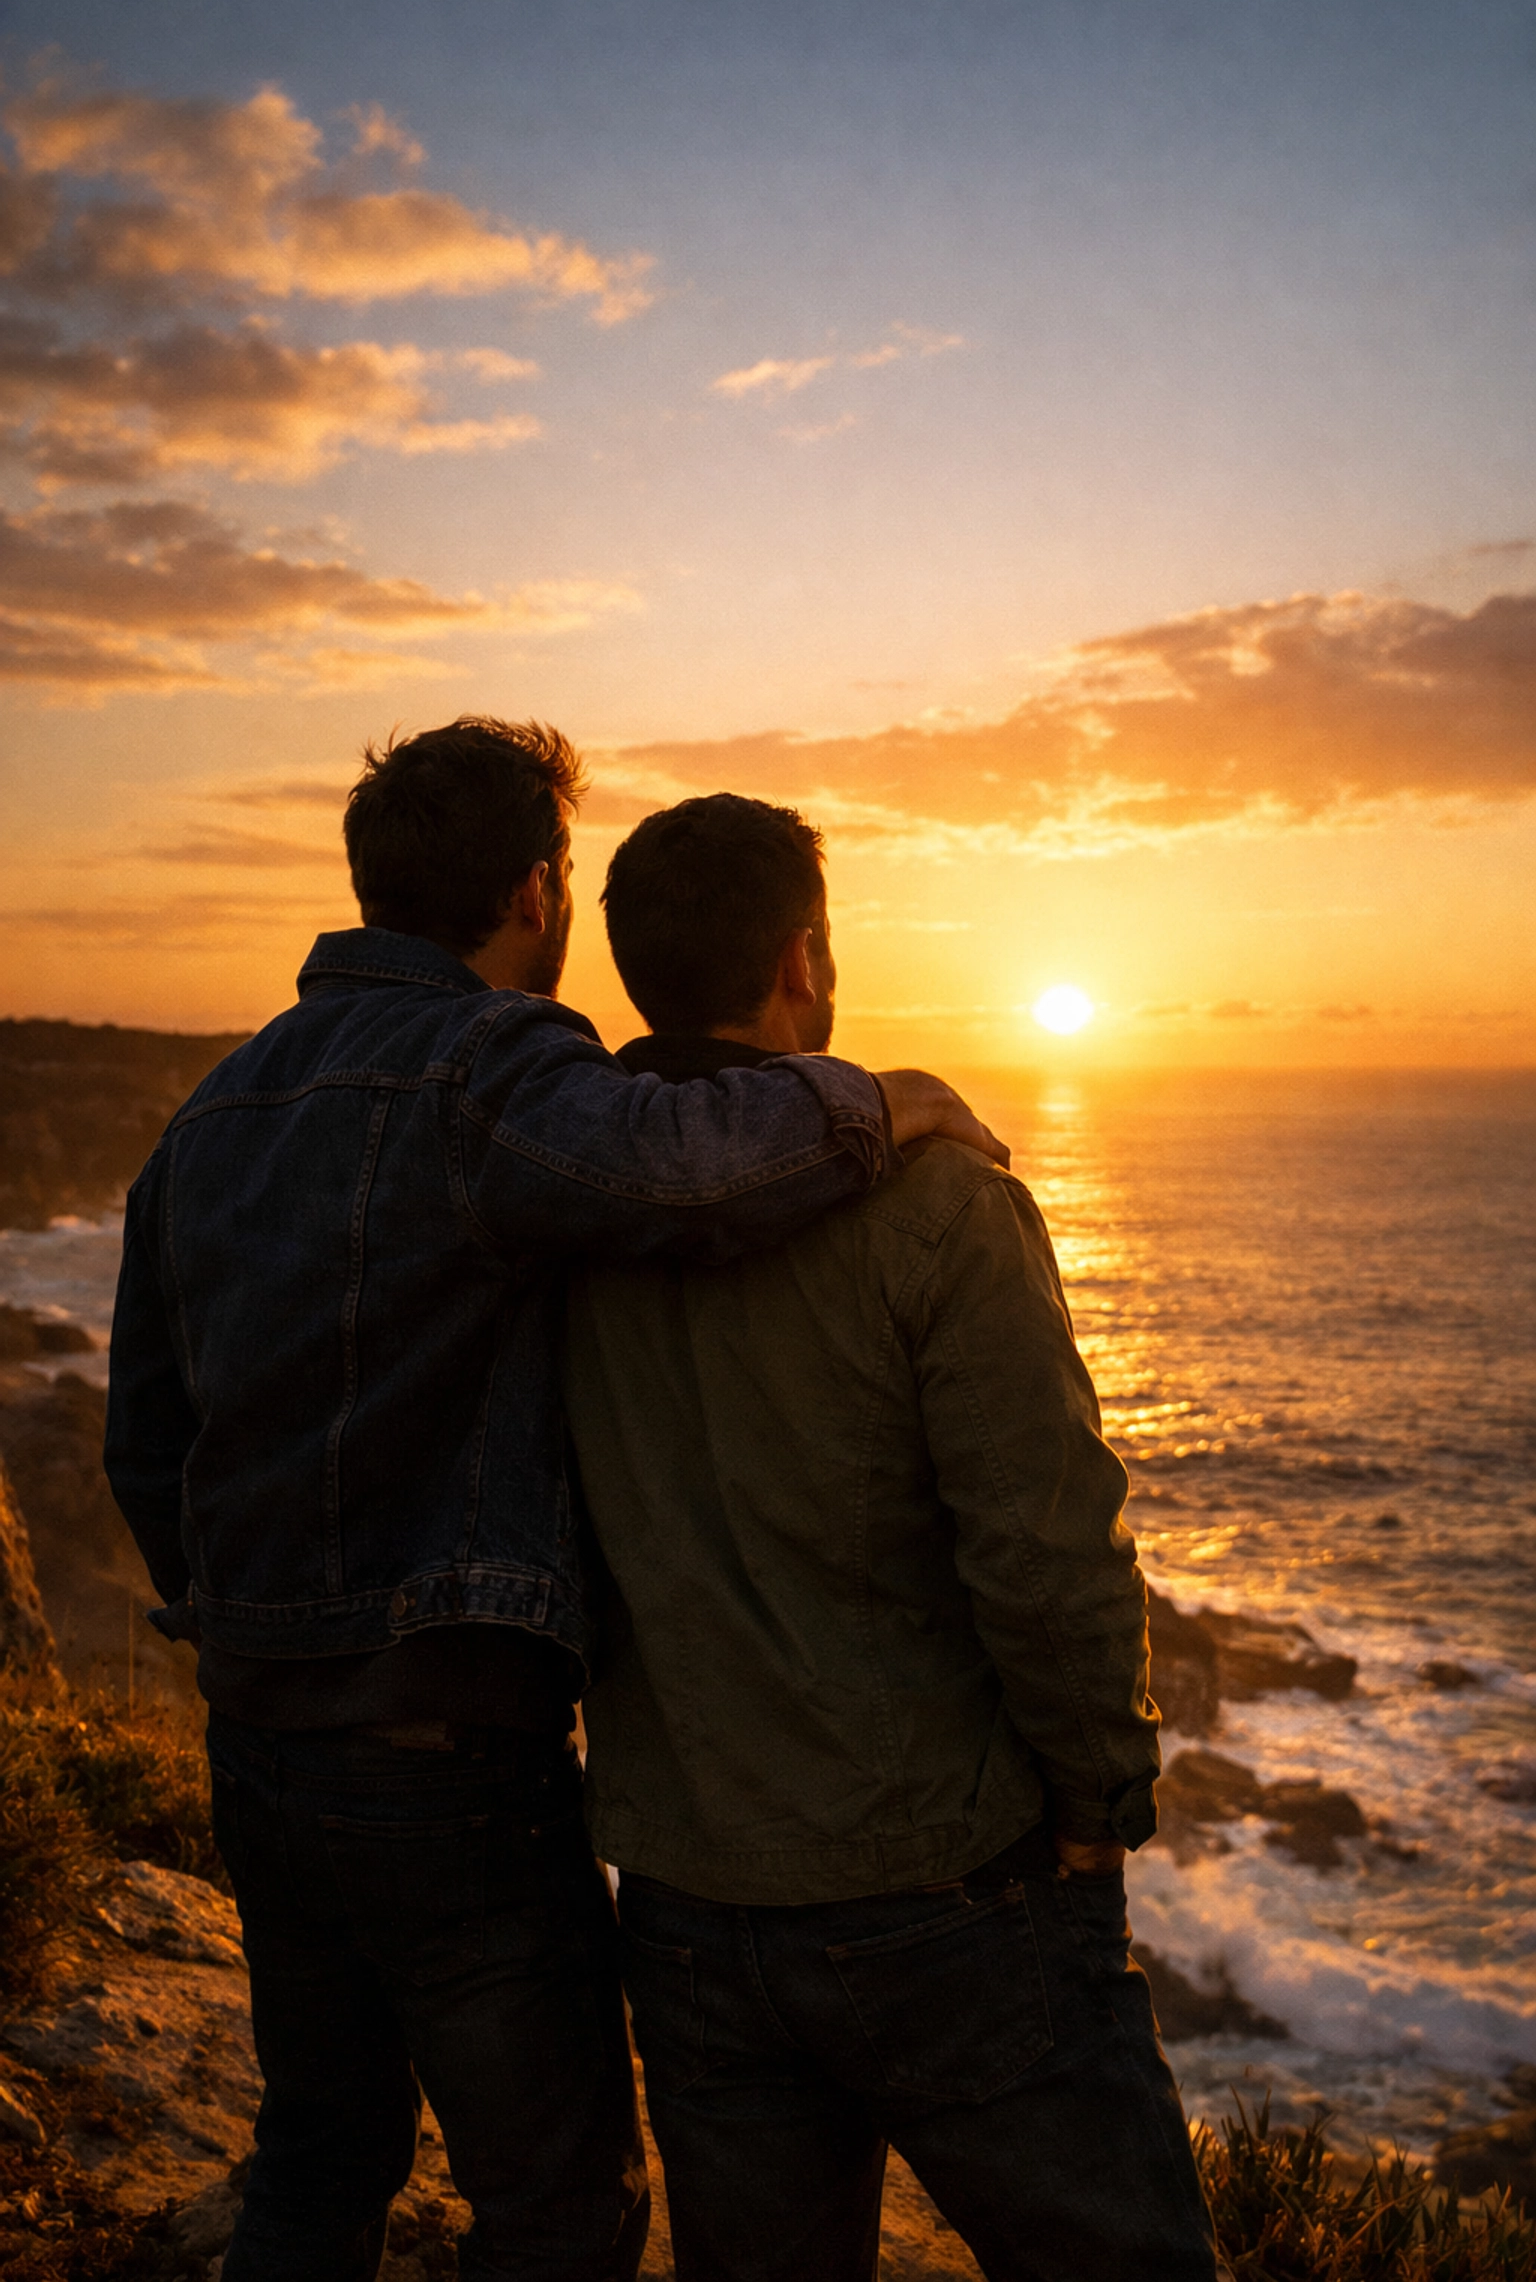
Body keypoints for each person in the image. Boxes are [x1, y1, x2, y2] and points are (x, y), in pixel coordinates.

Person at [104, 721, 1005, 2282]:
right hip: (446, 1765)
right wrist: (880, 1101)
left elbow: (143, 1441)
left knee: (318, 2162)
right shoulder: (492, 1064)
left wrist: (260, 1626)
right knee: (560, 2209)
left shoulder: (212, 1114)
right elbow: (677, 1164)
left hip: (261, 1746)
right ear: (538, 889)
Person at [563, 792, 1222, 2282]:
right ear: (803, 959)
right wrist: (1096, 1793)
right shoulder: (936, 1200)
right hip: (948, 1890)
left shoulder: (563, 1217)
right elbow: (1046, 1547)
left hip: (688, 1896)